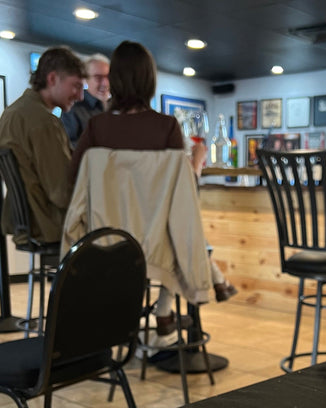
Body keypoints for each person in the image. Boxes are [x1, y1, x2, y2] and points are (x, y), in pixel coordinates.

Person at [70, 41, 235, 335]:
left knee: (171, 229)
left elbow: (75, 183)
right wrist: (196, 162)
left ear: (115, 80)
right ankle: (168, 309)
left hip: (108, 244)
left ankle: (164, 312)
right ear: (150, 79)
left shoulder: (96, 128)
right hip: (156, 248)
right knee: (178, 229)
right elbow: (184, 194)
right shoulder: (167, 127)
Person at [0, 46, 85, 244]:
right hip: (48, 225)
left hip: (23, 224)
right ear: (53, 78)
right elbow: (62, 193)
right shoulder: (44, 122)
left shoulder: (11, 114)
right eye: (76, 86)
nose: (80, 96)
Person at [61, 53, 110, 148]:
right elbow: (67, 146)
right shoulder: (73, 108)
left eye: (108, 77)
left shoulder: (116, 106)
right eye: (98, 78)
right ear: (85, 79)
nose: (105, 83)